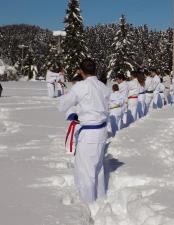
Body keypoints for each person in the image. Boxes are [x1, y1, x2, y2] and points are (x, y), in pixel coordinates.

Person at [59, 58, 110, 203]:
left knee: (85, 171)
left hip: (89, 133)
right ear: (95, 70)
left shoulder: (81, 87)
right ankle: (100, 199)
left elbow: (62, 106)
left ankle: (89, 205)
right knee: (97, 168)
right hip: (101, 130)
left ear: (80, 71)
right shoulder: (103, 86)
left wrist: (75, 108)